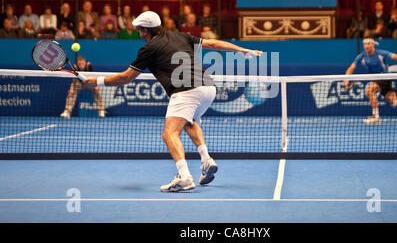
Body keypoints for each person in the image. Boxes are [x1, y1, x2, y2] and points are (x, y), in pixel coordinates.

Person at [84, 11, 263, 192]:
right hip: (208, 87)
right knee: (189, 121)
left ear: (146, 30)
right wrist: (241, 49)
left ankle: (184, 177)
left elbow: (126, 77)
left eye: (139, 30)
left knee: (169, 133)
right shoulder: (180, 36)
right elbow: (212, 43)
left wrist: (98, 81)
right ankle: (206, 160)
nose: (139, 33)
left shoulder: (148, 49)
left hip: (186, 90)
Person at [343, 38, 397, 126]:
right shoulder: (361, 56)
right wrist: (347, 78)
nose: (366, 46)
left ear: (373, 45)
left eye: (368, 44)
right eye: (365, 44)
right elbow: (351, 68)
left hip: (385, 76)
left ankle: (376, 117)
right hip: (378, 79)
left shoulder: (381, 53)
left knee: (369, 91)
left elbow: (396, 56)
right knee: (394, 102)